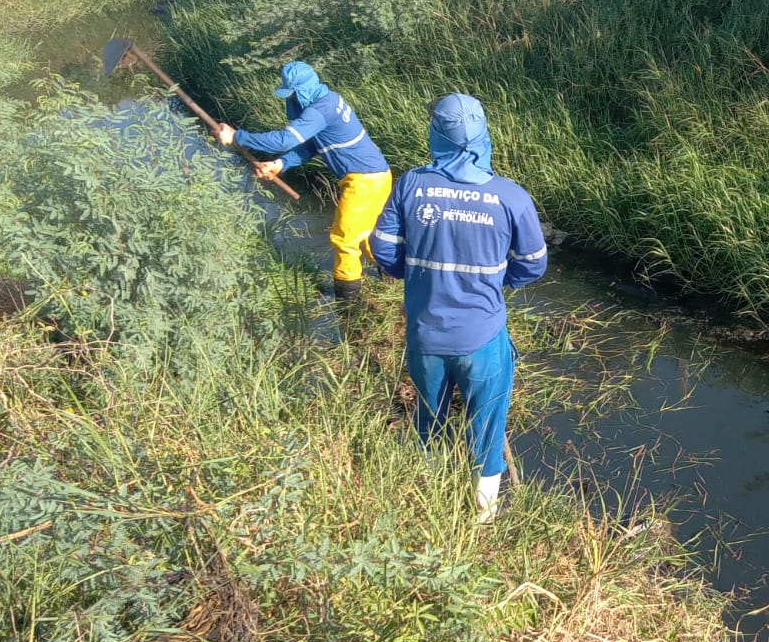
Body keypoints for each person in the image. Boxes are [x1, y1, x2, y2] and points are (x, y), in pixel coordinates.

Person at [370, 93, 548, 522]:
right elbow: (534, 265)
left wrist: (413, 276)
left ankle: (423, 503)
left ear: (436, 135)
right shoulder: (511, 197)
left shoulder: (411, 184)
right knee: (488, 429)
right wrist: (493, 282)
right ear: (485, 136)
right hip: (483, 339)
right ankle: (482, 520)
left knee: (427, 417)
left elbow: (382, 248)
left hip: (424, 336)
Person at [218, 61, 390, 302]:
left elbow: (283, 141)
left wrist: (237, 136)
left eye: (292, 95)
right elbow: (312, 145)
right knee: (369, 235)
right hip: (376, 175)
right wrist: (281, 164)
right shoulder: (328, 100)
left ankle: (347, 304)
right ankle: (393, 282)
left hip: (363, 181)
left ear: (302, 91)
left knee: (344, 239)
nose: (291, 101)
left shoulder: (320, 110)